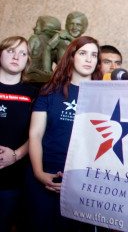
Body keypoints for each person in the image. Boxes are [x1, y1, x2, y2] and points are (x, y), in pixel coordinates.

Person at [26, 36, 102, 231]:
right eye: (83, 53)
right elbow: (35, 134)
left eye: (94, 55)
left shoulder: (103, 95)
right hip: (45, 174)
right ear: (71, 57)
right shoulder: (50, 90)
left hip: (81, 181)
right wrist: (39, 173)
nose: (89, 59)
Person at [0, 36, 38, 232]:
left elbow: (37, 133)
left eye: (22, 53)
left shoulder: (33, 94)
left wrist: (15, 155)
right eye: (10, 51)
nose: (16, 56)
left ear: (27, 61)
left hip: (13, 179)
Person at [27, 15, 61, 83]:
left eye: (37, 25)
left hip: (31, 74)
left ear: (45, 29)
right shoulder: (55, 45)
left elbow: (25, 56)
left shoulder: (35, 38)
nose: (34, 28)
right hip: (46, 78)